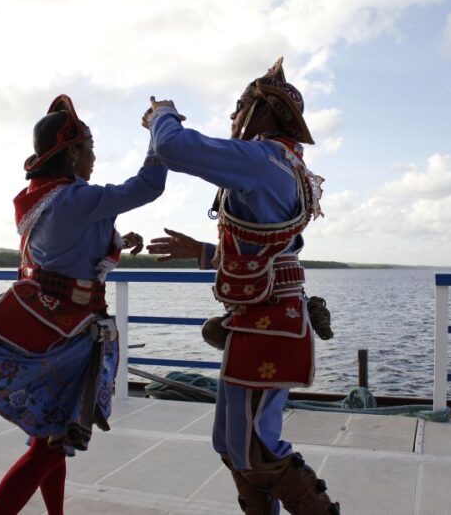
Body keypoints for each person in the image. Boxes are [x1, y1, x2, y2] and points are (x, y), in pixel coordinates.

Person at [0, 94, 166, 515]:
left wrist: (117, 240)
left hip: (47, 325)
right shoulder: (76, 198)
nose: (94, 157)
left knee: (50, 437)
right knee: (50, 448)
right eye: (89, 147)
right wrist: (161, 127)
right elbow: (149, 185)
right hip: (71, 335)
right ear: (71, 153)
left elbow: (64, 254)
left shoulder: (42, 199)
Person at [142, 58, 340, 515]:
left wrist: (162, 114)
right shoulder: (287, 164)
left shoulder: (262, 160)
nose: (233, 116)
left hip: (268, 326)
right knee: (233, 444)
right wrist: (203, 253)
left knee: (255, 448)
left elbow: (172, 147)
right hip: (260, 322)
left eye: (238, 106)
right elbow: (269, 251)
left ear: (263, 111)